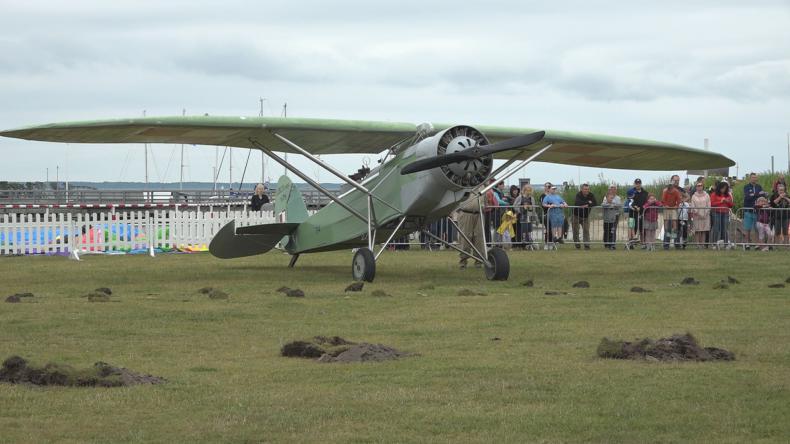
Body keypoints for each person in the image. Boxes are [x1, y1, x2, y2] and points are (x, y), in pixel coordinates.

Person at [456, 195, 485, 269]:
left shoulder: (483, 188)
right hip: (465, 213)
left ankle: (479, 261)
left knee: (479, 238)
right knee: (465, 238)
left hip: (479, 214)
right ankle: (463, 261)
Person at [571, 183, 597, 250]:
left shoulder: (591, 195)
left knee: (586, 231)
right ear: (582, 189)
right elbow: (578, 203)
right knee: (575, 231)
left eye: (588, 189)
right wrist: (588, 202)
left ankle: (587, 245)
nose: (587, 190)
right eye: (585, 189)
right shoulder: (578, 195)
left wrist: (586, 205)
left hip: (586, 217)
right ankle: (577, 244)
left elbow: (595, 203)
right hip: (576, 215)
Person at [541, 185, 567, 250]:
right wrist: (549, 206)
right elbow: (543, 204)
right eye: (552, 189)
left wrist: (564, 204)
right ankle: (554, 237)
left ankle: (560, 237)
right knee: (554, 225)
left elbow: (563, 202)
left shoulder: (558, 196)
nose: (554, 190)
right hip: (552, 212)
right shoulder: (547, 197)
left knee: (560, 225)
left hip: (559, 212)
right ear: (549, 190)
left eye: (555, 189)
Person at [742, 173, 764, 249]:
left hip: (757, 211)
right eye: (753, 177)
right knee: (747, 228)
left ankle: (757, 244)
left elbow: (762, 196)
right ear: (750, 178)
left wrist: (754, 194)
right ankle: (747, 244)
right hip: (748, 210)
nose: (754, 179)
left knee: (757, 228)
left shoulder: (759, 187)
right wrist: (757, 194)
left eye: (755, 177)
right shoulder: (746, 187)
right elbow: (748, 197)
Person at [661, 175, 683, 250]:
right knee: (667, 227)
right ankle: (666, 244)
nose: (670, 186)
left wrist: (676, 206)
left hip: (673, 209)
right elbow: (663, 200)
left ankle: (676, 243)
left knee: (675, 227)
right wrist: (665, 205)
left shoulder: (676, 191)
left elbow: (679, 200)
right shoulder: (665, 191)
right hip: (667, 209)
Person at [710, 181, 734, 248]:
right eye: (723, 188)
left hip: (725, 213)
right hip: (716, 212)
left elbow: (731, 205)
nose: (724, 190)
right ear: (719, 187)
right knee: (716, 228)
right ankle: (714, 243)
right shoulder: (714, 194)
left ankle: (725, 243)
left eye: (725, 188)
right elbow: (712, 204)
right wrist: (721, 201)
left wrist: (727, 201)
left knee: (725, 228)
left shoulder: (728, 195)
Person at [514, 184, 536, 249]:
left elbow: (534, 208)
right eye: (527, 190)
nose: (528, 192)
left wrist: (531, 208)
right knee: (523, 230)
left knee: (529, 230)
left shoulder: (532, 198)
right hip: (522, 216)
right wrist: (520, 209)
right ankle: (523, 244)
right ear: (524, 190)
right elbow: (514, 206)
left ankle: (529, 243)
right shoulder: (520, 197)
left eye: (530, 190)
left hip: (529, 216)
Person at [628, 178, 649, 248]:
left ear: (641, 184)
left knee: (642, 229)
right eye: (636, 183)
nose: (638, 185)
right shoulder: (631, 192)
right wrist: (635, 207)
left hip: (642, 213)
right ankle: (631, 244)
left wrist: (641, 208)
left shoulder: (645, 193)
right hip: (633, 213)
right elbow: (630, 201)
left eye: (639, 183)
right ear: (634, 184)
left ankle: (643, 243)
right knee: (633, 228)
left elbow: (647, 202)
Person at [690, 182, 711, 248]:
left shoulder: (707, 195)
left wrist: (705, 213)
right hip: (697, 215)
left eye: (700, 185)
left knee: (704, 230)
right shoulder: (694, 196)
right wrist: (698, 213)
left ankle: (702, 244)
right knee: (697, 230)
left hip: (705, 215)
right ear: (696, 187)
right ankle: (697, 244)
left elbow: (709, 205)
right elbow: (693, 206)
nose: (699, 187)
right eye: (698, 186)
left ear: (703, 186)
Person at [600, 185, 622, 250]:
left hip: (615, 217)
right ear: (609, 190)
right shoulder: (605, 197)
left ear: (616, 190)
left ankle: (612, 244)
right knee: (606, 231)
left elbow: (619, 206)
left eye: (614, 189)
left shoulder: (618, 198)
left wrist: (613, 204)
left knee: (613, 231)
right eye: (611, 189)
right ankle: (606, 243)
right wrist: (609, 204)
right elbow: (603, 204)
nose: (613, 190)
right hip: (607, 218)